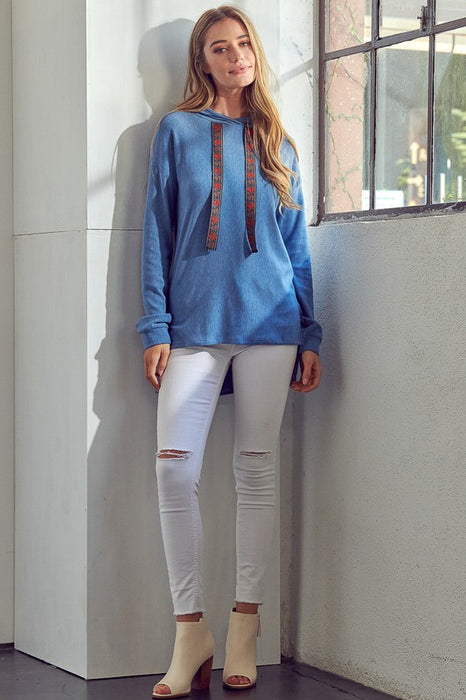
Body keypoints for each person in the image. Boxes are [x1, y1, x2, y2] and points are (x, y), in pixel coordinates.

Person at [136, 5, 322, 698]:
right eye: (220, 47)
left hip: (273, 327)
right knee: (173, 472)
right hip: (194, 328)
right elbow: (156, 231)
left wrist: (311, 332)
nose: (236, 54)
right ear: (203, 61)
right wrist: (155, 327)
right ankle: (192, 632)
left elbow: (296, 250)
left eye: (244, 43)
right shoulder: (177, 131)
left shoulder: (279, 141)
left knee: (255, 471)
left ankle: (245, 625)